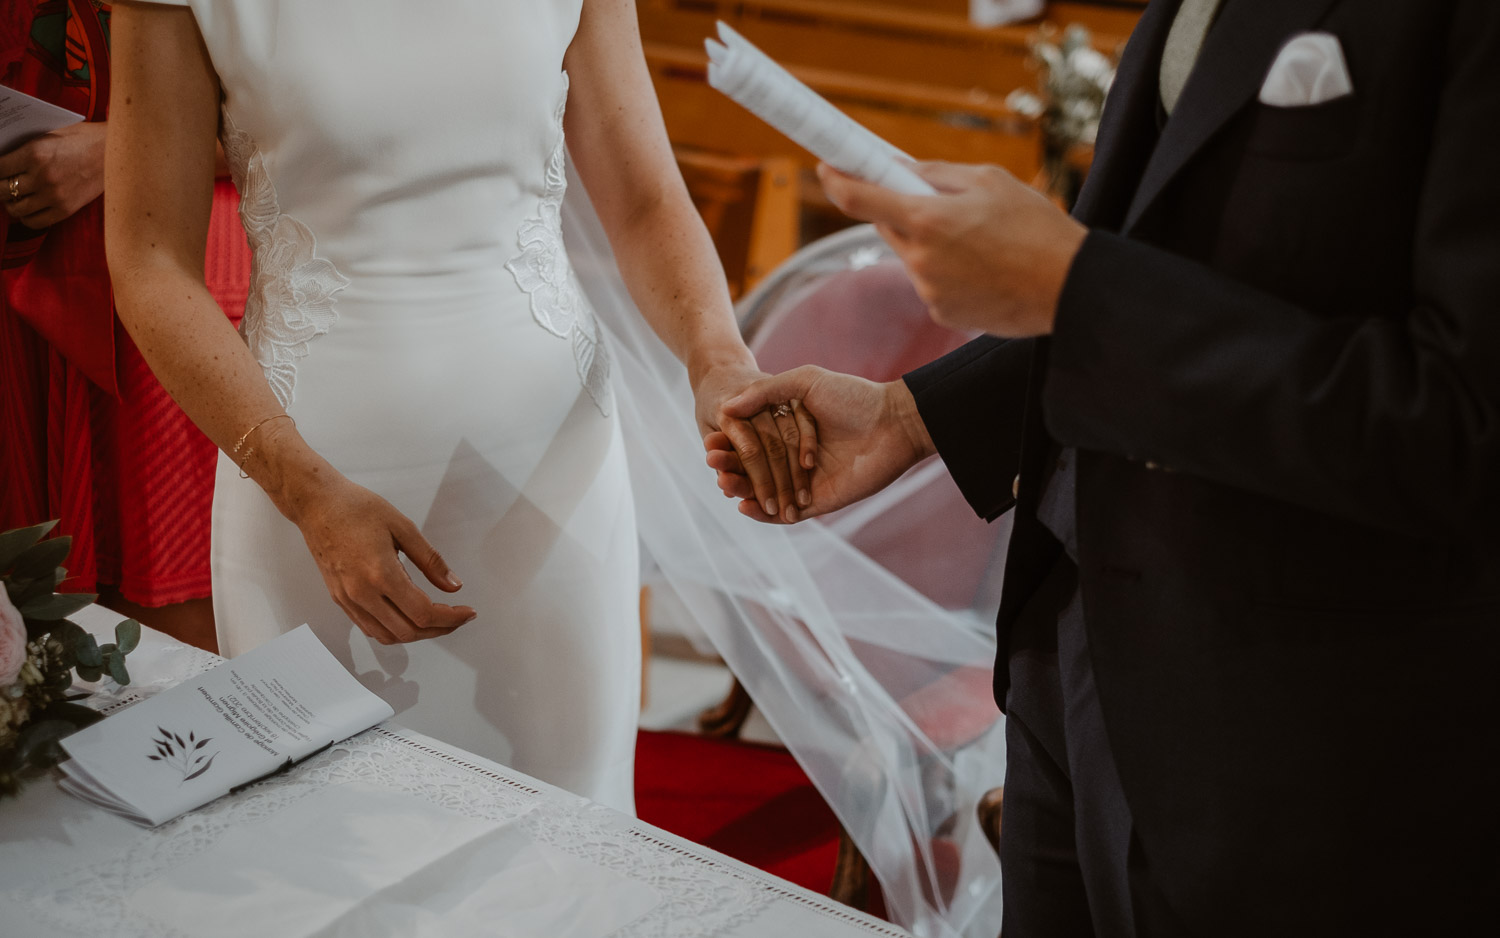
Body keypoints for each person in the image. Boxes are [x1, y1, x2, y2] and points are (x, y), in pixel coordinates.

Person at [713, 0, 1500, 934]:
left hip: (1316, 725)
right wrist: (914, 415)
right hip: (1076, 655)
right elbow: (1180, 257)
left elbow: (1465, 421)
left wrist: (1065, 285)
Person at [104, 0, 833, 814]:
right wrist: (302, 488)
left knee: (565, 830)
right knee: (323, 832)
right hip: (306, 473)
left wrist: (718, 358)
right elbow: (150, 257)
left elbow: (645, 199)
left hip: (550, 473)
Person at [0, 0, 225, 651]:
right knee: (40, 615)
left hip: (183, 257)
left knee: (168, 627)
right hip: (27, 268)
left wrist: (121, 151)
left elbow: (332, 105)